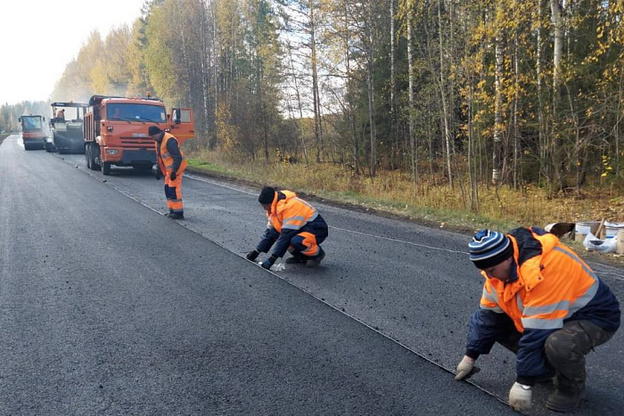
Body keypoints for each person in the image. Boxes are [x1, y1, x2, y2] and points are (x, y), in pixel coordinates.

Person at [454, 227, 620, 413]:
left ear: (508, 258)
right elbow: (487, 317)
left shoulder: (545, 269)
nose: (489, 276)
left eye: (492, 270)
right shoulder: (497, 273)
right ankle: (544, 368)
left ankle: (572, 390)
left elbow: (537, 333)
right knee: (498, 325)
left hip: (593, 315)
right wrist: (470, 356)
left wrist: (523, 383)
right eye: (485, 271)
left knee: (558, 344)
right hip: (553, 317)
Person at [246, 186, 328, 270]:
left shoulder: (289, 207)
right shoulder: (273, 209)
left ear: (269, 204)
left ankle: (317, 255)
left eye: (264, 206)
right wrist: (256, 251)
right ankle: (301, 257)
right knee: (275, 232)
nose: (264, 209)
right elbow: (270, 232)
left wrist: (272, 259)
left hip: (316, 229)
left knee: (297, 241)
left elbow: (286, 235)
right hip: (300, 229)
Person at [149, 126, 187, 220]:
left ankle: (178, 213)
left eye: (154, 137)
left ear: (158, 133)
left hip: (176, 169)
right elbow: (160, 157)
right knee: (168, 189)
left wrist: (174, 171)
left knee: (173, 190)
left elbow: (177, 157)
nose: (153, 139)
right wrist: (158, 170)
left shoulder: (169, 140)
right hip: (168, 171)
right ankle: (172, 211)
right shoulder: (158, 141)